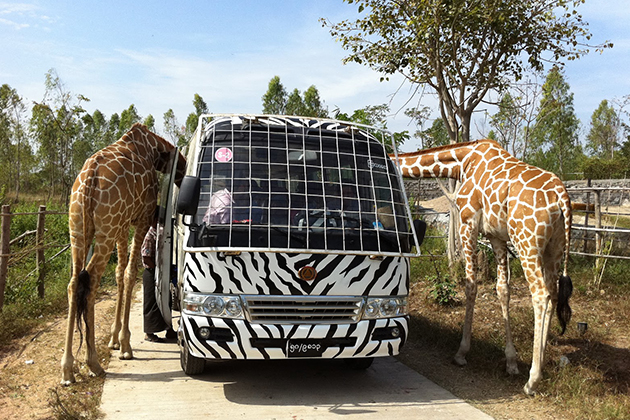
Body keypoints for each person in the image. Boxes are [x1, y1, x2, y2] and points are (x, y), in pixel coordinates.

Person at [141, 211, 176, 342]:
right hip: (151, 272)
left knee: (165, 301)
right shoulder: (151, 235)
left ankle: (168, 329)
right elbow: (146, 256)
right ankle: (149, 333)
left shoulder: (162, 234)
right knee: (151, 302)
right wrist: (157, 269)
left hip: (162, 272)